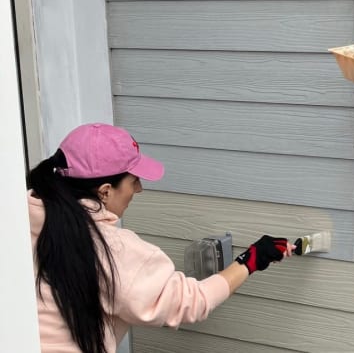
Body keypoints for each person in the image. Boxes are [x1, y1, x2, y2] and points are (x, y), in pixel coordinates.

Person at [28, 123, 294, 353]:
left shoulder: (18, 220)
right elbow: (191, 302)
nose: (140, 189)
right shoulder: (112, 250)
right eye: (134, 181)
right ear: (105, 191)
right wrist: (251, 259)